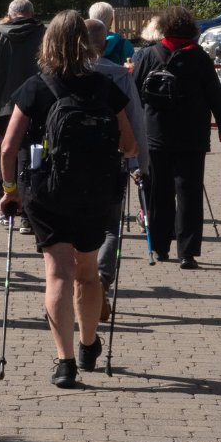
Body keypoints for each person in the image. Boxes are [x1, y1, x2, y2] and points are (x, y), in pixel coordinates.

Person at [0, 10, 139, 388]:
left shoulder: (36, 87)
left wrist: (11, 192)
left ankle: (65, 363)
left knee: (58, 272)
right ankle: (89, 343)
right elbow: (129, 146)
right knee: (88, 272)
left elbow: (8, 148)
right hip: (96, 195)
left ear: (49, 42)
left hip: (48, 194)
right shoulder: (106, 88)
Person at [132, 6, 221, 269]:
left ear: (164, 27)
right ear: (191, 29)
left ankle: (161, 247)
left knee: (160, 192)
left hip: (156, 134)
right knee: (189, 192)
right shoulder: (199, 57)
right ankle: (187, 253)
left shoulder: (148, 55)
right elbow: (217, 99)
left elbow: (131, 94)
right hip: (192, 135)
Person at [87, 18, 149, 320]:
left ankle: (80, 282)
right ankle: (101, 276)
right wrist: (139, 164)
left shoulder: (61, 73)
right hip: (111, 160)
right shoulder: (119, 76)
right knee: (111, 226)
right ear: (103, 45)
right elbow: (136, 121)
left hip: (68, 164)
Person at [0, 0, 46, 231]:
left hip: (5, 106)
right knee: (33, 156)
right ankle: (28, 212)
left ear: (9, 16)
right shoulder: (44, 35)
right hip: (38, 106)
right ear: (32, 13)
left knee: (4, 152)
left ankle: (7, 206)